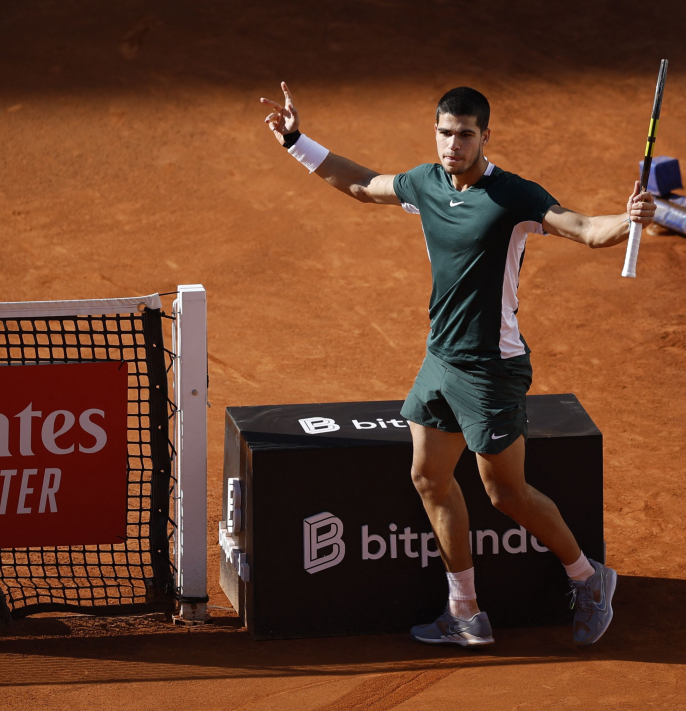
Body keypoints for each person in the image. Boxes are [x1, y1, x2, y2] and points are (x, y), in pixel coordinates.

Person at [261, 83, 656, 647]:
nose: (453, 144)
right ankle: (466, 612)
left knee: (506, 494)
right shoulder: (424, 182)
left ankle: (589, 579)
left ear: (485, 137)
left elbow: (585, 229)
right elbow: (360, 183)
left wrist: (627, 218)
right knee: (429, 476)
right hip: (441, 358)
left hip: (493, 368)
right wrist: (296, 141)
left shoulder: (514, 196)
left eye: (465, 134)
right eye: (445, 132)